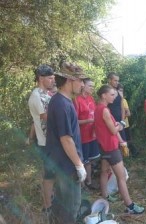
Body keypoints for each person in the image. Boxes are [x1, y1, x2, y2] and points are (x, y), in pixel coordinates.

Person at [46, 62, 87, 224]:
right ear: (70, 80)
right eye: (80, 80)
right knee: (71, 206)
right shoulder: (61, 104)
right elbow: (66, 139)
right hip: (66, 164)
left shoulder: (62, 100)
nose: (83, 84)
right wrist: (79, 165)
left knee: (62, 202)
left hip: (62, 162)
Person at [94, 85, 145, 214]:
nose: (114, 97)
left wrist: (120, 137)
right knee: (121, 177)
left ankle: (105, 196)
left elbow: (105, 127)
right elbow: (113, 130)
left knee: (104, 172)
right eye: (112, 94)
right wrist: (121, 125)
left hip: (103, 146)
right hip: (111, 148)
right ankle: (130, 206)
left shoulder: (98, 108)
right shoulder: (105, 110)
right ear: (103, 95)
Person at [28, 64, 55, 212]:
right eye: (50, 78)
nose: (53, 80)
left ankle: (52, 198)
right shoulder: (36, 96)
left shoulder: (47, 94)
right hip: (44, 141)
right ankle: (47, 206)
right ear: (41, 78)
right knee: (49, 174)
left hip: (52, 140)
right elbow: (45, 117)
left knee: (54, 173)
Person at [73, 78, 100, 189]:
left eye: (93, 86)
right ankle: (82, 185)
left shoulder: (91, 98)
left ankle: (89, 182)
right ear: (83, 85)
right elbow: (74, 121)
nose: (92, 88)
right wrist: (88, 121)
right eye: (90, 86)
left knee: (89, 160)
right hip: (82, 136)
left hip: (92, 135)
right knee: (82, 161)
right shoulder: (77, 100)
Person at [118, 83, 139, 157]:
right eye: (119, 90)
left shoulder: (123, 101)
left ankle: (132, 152)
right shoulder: (112, 100)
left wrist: (121, 118)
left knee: (128, 139)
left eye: (122, 91)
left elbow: (128, 113)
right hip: (117, 125)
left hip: (125, 124)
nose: (121, 92)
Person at [107, 72, 126, 141]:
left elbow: (122, 108)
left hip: (120, 122)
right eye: (115, 80)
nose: (117, 82)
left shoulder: (119, 92)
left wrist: (123, 122)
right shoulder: (105, 92)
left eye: (118, 81)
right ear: (109, 80)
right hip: (110, 123)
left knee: (123, 144)